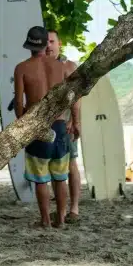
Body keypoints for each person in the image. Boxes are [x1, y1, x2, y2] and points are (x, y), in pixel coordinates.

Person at [14, 26, 69, 228]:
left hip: (37, 126)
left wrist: (22, 127)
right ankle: (61, 219)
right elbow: (69, 97)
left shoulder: (22, 68)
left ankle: (45, 220)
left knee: (41, 178)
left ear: (29, 46)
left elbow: (19, 103)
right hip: (60, 125)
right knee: (60, 177)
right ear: (47, 44)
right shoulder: (61, 67)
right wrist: (75, 120)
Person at [46, 29, 82, 223]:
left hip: (66, 123)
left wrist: (74, 121)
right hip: (47, 125)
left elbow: (77, 96)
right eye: (45, 42)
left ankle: (74, 209)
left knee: (71, 165)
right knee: (53, 168)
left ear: (59, 44)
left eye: (52, 41)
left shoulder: (69, 67)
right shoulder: (40, 66)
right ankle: (60, 210)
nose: (48, 46)